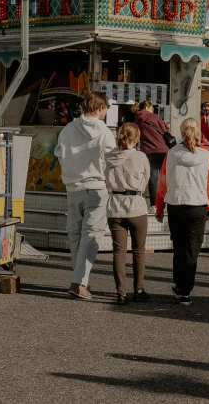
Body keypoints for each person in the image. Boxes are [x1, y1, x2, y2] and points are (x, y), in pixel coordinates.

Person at [55, 91, 115, 300]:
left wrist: (70, 171)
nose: (106, 113)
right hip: (96, 188)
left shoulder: (68, 129)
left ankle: (79, 278)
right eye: (106, 108)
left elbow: (59, 154)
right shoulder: (105, 132)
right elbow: (111, 161)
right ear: (100, 108)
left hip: (73, 188)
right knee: (91, 236)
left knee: (76, 235)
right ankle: (79, 282)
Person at [156, 118, 209, 306]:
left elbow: (162, 183)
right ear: (198, 133)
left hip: (176, 204)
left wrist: (159, 208)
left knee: (179, 248)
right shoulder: (207, 156)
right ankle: (186, 291)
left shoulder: (171, 154)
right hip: (198, 206)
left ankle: (178, 284)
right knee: (192, 250)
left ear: (181, 133)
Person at [105, 123, 151, 305]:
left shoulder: (109, 157)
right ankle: (138, 290)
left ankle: (121, 293)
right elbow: (146, 180)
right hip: (136, 206)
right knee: (138, 251)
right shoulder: (140, 157)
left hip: (115, 205)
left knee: (119, 252)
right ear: (136, 138)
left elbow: (106, 179)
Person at [133, 100, 168, 212]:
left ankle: (153, 205)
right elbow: (165, 130)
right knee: (164, 177)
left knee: (153, 177)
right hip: (162, 149)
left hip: (148, 151)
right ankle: (164, 203)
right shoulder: (154, 117)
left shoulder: (137, 120)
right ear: (147, 107)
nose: (153, 110)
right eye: (152, 108)